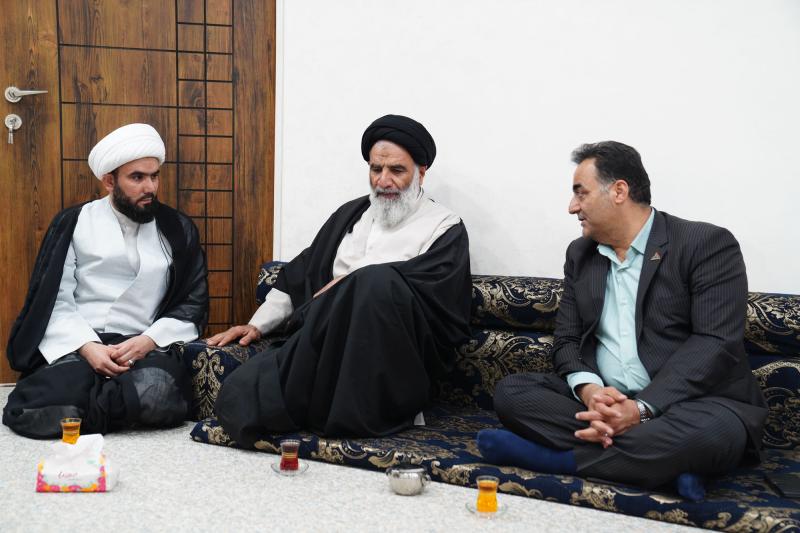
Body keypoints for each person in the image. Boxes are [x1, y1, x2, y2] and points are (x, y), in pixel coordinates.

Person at [478, 141, 767, 500]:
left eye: (580, 193)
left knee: (709, 434)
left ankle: (556, 459)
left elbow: (714, 343)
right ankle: (668, 468)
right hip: (611, 401)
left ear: (618, 191)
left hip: (694, 404)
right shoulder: (581, 254)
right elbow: (567, 341)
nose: (572, 207)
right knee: (512, 393)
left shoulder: (706, 244)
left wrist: (640, 409)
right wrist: (591, 393)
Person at [208, 114, 471, 444]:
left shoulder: (443, 227)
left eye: (397, 170)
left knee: (376, 283)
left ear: (421, 172)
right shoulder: (351, 215)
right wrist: (257, 325)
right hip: (320, 341)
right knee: (240, 395)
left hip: (387, 358)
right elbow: (300, 273)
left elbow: (440, 308)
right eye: (376, 169)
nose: (384, 180)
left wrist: (352, 284)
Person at [3, 123, 208, 439]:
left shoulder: (177, 228)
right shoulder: (74, 222)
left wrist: (148, 341)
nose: (150, 187)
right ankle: (110, 403)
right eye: (137, 177)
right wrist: (88, 348)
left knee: (160, 391)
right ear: (109, 181)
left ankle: (85, 409)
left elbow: (192, 300)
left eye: (154, 176)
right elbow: (55, 299)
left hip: (142, 345)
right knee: (41, 402)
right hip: (80, 340)